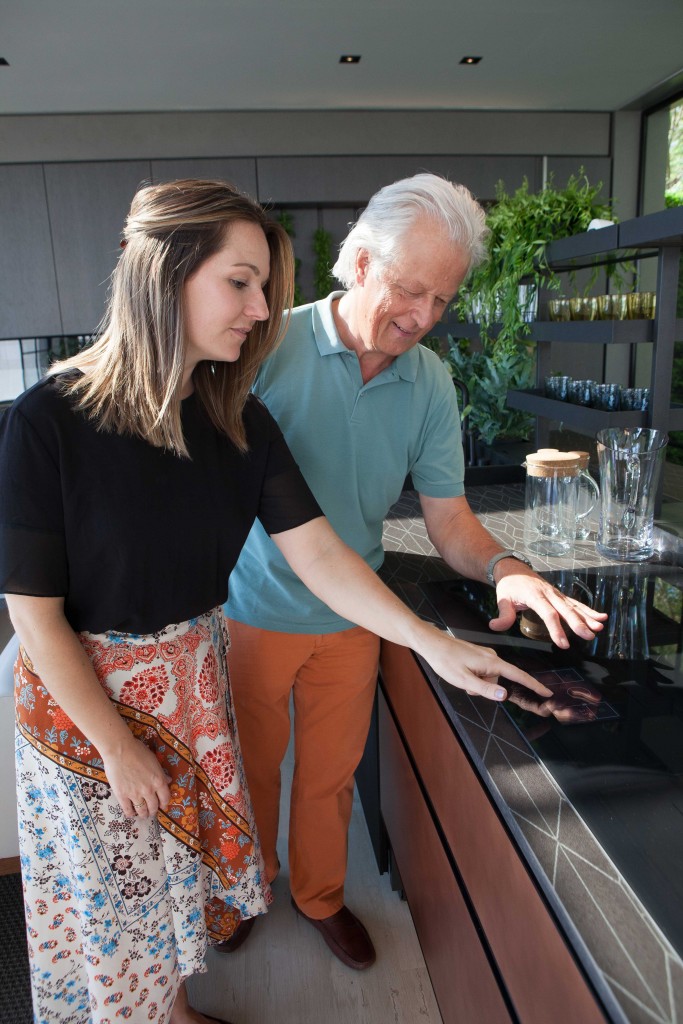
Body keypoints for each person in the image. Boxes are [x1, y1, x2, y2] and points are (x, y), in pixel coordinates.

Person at [0, 178, 553, 1024]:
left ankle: (181, 1008)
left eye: (265, 287)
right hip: (88, 712)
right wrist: (114, 745)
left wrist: (429, 641)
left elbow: (322, 554)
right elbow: (34, 615)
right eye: (240, 282)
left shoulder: (237, 418)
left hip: (191, 679)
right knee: (110, 912)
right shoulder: (48, 419)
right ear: (163, 273)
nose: (259, 310)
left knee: (175, 881)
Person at [223, 172, 608, 970]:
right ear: (358, 262)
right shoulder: (266, 346)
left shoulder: (428, 380)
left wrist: (505, 567)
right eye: (409, 290)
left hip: (358, 614)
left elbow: (448, 520)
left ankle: (318, 896)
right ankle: (245, 887)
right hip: (252, 608)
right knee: (248, 769)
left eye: (442, 299)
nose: (423, 318)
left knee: (328, 779)